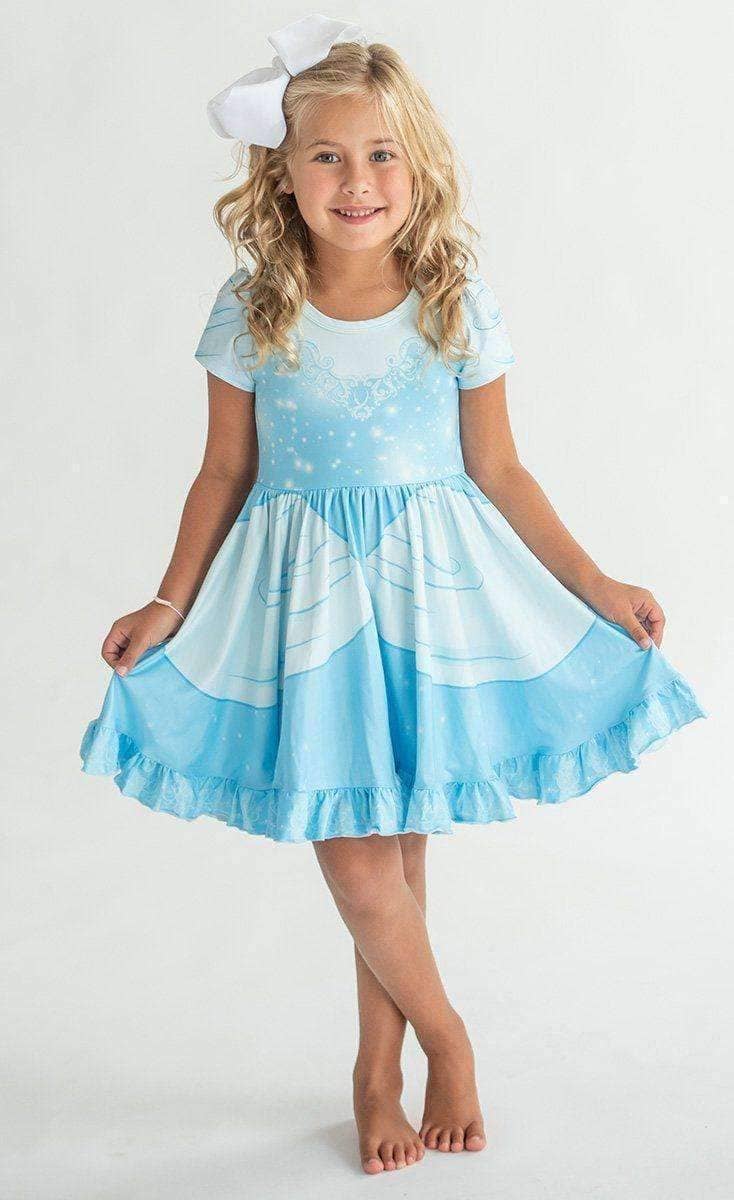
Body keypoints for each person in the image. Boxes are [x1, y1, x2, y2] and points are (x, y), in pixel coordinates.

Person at [79, 14, 708, 1176]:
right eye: (325, 156)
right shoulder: (253, 308)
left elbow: (499, 470)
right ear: (281, 172)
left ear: (418, 167)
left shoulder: (453, 300)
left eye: (380, 154)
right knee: (362, 862)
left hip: (428, 604)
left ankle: (377, 1070)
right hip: (309, 613)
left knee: (397, 859)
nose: (356, 180)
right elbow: (224, 472)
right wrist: (167, 605)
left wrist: (594, 584)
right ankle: (446, 1038)